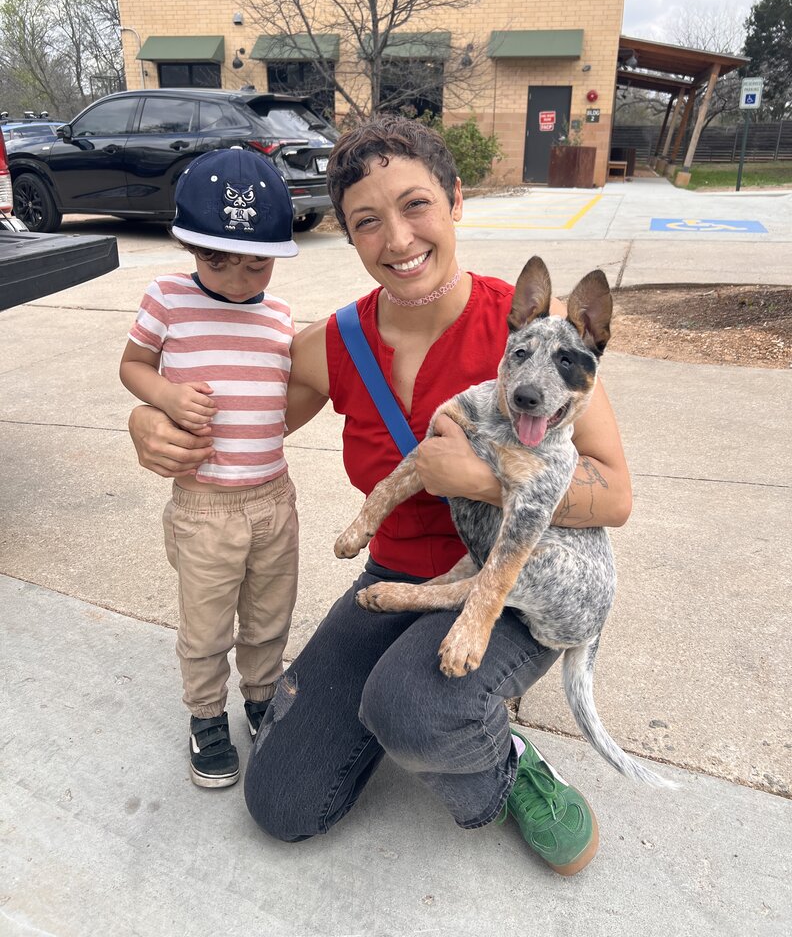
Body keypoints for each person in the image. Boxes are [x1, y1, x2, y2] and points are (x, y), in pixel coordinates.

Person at [128, 118, 631, 873]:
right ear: (350, 237)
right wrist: (149, 415)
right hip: (394, 577)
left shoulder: (528, 336)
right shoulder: (335, 343)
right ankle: (424, 707)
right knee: (282, 805)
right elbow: (234, 412)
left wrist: (484, 479)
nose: (396, 239)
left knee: (414, 708)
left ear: (456, 201)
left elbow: (615, 492)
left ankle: (500, 757)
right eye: (367, 221)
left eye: (416, 205)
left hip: (507, 584)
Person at [120, 147, 300, 790]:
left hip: (274, 496)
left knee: (270, 613)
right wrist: (163, 398)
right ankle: (205, 715)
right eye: (217, 260)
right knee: (205, 623)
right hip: (206, 503)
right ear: (188, 246)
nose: (238, 279)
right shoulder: (166, 297)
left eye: (258, 264)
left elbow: (285, 397)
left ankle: (260, 697)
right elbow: (133, 364)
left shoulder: (279, 316)